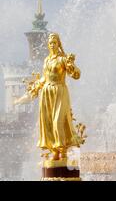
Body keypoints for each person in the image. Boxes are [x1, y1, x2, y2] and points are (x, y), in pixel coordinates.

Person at [15, 33, 85, 161]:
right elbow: (44, 78)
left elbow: (76, 75)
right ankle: (55, 151)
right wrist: (32, 91)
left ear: (59, 44)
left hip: (59, 92)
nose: (52, 45)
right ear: (48, 45)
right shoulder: (46, 60)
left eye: (54, 42)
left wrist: (71, 64)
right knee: (48, 123)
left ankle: (62, 150)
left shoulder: (62, 59)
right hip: (47, 94)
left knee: (57, 121)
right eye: (50, 43)